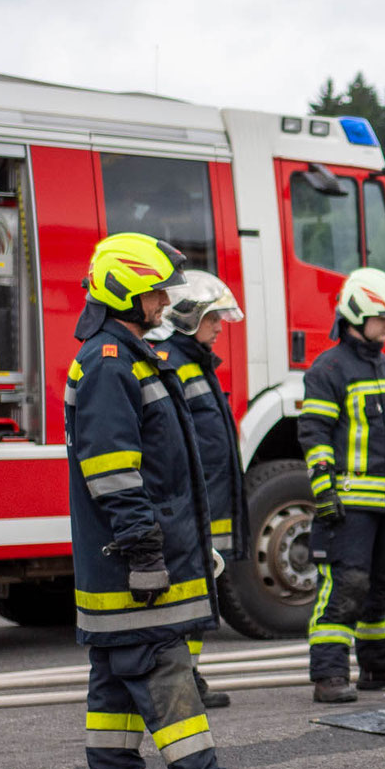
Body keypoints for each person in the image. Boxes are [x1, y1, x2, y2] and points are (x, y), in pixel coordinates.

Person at [65, 233, 247, 769]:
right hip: (131, 556)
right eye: (157, 289)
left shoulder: (129, 356)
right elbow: (114, 469)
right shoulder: (109, 366)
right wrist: (144, 548)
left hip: (126, 553)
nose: (166, 298)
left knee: (117, 674)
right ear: (128, 293)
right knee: (162, 663)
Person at [297, 268, 385, 703]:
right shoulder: (328, 369)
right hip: (348, 505)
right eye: (384, 318)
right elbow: (314, 432)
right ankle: (328, 675)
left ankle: (378, 666)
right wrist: (323, 488)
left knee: (383, 585)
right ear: (358, 313)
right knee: (346, 584)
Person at [148, 270, 247, 711]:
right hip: (188, 506)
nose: (219, 326)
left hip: (206, 504)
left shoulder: (196, 362)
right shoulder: (171, 362)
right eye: (212, 318)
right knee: (187, 596)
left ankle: (190, 678)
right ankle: (180, 683)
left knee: (201, 593)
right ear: (187, 318)